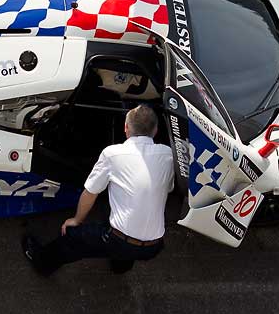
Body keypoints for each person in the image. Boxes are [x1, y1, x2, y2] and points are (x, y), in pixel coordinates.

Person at [22, 105, 174, 275]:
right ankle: (120, 266)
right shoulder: (168, 155)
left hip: (121, 242)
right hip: (154, 246)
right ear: (156, 130)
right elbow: (165, 188)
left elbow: (90, 192)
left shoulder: (113, 153)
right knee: (115, 211)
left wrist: (76, 220)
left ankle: (41, 263)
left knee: (73, 238)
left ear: (125, 128)